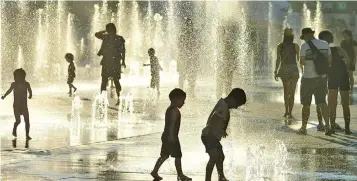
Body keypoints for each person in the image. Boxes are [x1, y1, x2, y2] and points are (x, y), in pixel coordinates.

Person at [201, 88, 246, 181]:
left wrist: (222, 130)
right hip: (209, 136)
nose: (237, 107)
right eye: (237, 104)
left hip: (212, 136)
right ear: (232, 99)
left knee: (220, 156)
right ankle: (207, 179)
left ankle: (221, 176)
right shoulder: (223, 107)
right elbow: (215, 117)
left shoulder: (223, 104)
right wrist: (213, 128)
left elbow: (218, 119)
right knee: (214, 157)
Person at [150, 88, 192, 181]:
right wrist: (172, 138)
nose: (183, 103)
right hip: (171, 137)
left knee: (164, 155)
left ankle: (155, 171)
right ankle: (180, 175)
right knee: (178, 156)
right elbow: (172, 125)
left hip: (167, 136)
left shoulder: (170, 109)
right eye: (182, 100)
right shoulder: (175, 111)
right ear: (175, 99)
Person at [298, 28, 332, 135]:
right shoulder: (324, 43)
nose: (304, 40)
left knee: (306, 104)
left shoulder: (305, 46)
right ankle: (327, 127)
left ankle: (303, 128)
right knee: (322, 102)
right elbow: (330, 60)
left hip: (308, 78)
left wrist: (309, 60)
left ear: (308, 35)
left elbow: (302, 62)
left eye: (304, 37)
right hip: (321, 79)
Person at [319, 31, 352, 134]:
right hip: (343, 76)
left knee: (332, 103)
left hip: (332, 76)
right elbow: (349, 61)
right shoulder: (338, 49)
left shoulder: (322, 51)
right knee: (345, 103)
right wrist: (344, 69)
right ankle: (347, 128)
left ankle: (332, 127)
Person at [95, 23, 126, 106]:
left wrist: (105, 31)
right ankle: (119, 98)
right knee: (116, 81)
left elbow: (96, 34)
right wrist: (123, 62)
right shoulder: (119, 38)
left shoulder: (106, 37)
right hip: (116, 62)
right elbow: (123, 51)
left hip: (106, 62)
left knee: (104, 81)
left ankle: (102, 100)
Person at [274, 28, 300, 119]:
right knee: (292, 93)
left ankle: (286, 112)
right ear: (292, 36)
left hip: (284, 69)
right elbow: (299, 60)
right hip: (293, 69)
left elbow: (278, 59)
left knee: (286, 92)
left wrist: (275, 71)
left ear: (284, 36)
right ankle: (290, 112)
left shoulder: (280, 46)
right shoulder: (296, 46)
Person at [1, 68, 32, 140]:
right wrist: (4, 96)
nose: (14, 78)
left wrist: (30, 94)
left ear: (23, 77)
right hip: (16, 106)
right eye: (14, 76)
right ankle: (15, 128)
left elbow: (30, 90)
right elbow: (9, 90)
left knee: (27, 121)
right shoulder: (14, 84)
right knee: (18, 121)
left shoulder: (26, 84)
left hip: (24, 106)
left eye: (16, 76)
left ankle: (27, 135)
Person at [177, 18, 199, 97]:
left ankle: (191, 91)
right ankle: (180, 90)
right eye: (187, 24)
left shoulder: (194, 35)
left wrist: (194, 56)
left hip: (191, 59)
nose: (188, 26)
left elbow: (197, 46)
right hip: (184, 58)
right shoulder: (182, 35)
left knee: (192, 75)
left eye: (190, 24)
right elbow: (179, 47)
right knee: (182, 75)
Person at [216, 24, 239, 99]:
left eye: (221, 32)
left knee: (227, 83)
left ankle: (226, 98)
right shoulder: (218, 43)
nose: (219, 34)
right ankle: (219, 97)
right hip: (222, 66)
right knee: (221, 82)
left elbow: (234, 54)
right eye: (218, 32)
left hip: (227, 66)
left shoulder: (227, 42)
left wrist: (233, 65)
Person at [340, 30, 357, 94]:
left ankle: (351, 89)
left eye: (345, 35)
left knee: (350, 75)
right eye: (343, 35)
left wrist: (354, 61)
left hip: (351, 60)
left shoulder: (354, 42)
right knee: (344, 75)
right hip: (344, 60)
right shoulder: (343, 42)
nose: (344, 36)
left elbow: (355, 52)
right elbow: (342, 51)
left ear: (348, 35)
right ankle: (345, 88)